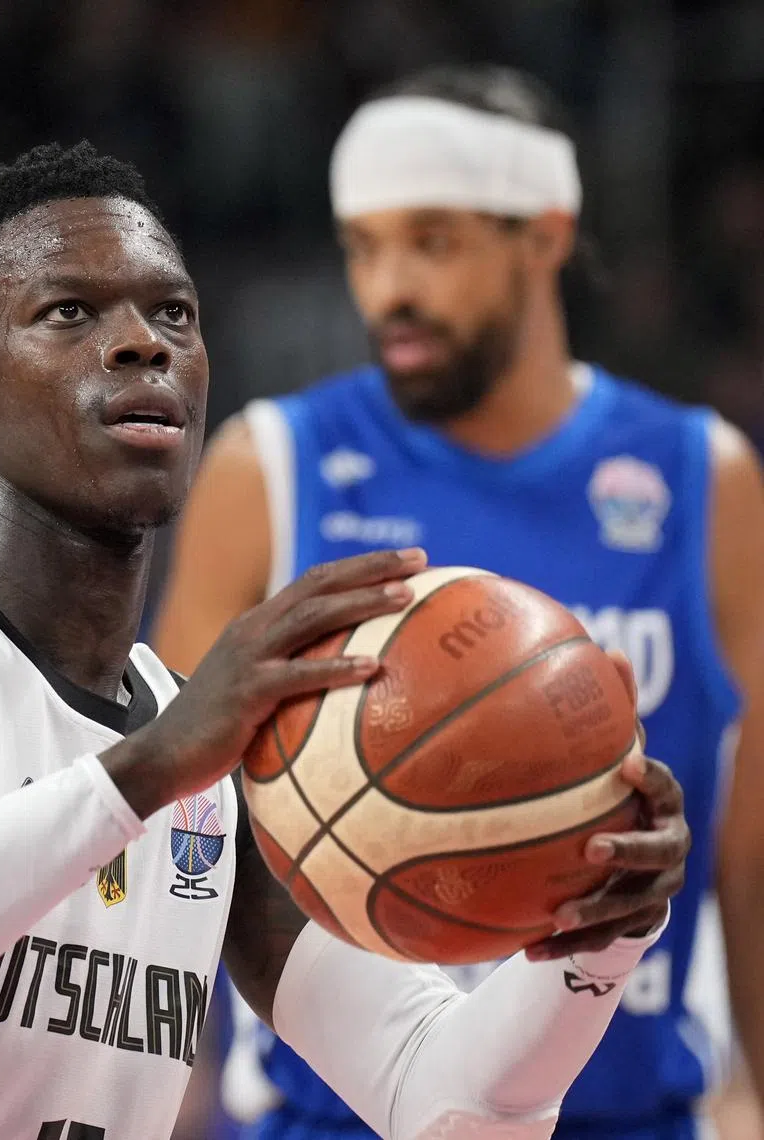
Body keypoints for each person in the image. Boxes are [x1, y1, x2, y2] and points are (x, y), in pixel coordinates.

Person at [0, 142, 687, 1140]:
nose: (144, 342)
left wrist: (591, 946)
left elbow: (447, 1105)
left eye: (173, 314)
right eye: (69, 313)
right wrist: (138, 777)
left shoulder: (217, 765)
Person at [152, 66, 764, 1140]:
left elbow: (753, 856)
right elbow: (171, 822)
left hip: (629, 1112)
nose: (389, 288)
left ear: (545, 235)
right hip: (332, 1116)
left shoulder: (702, 478)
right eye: (365, 246)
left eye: (432, 243)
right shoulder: (273, 467)